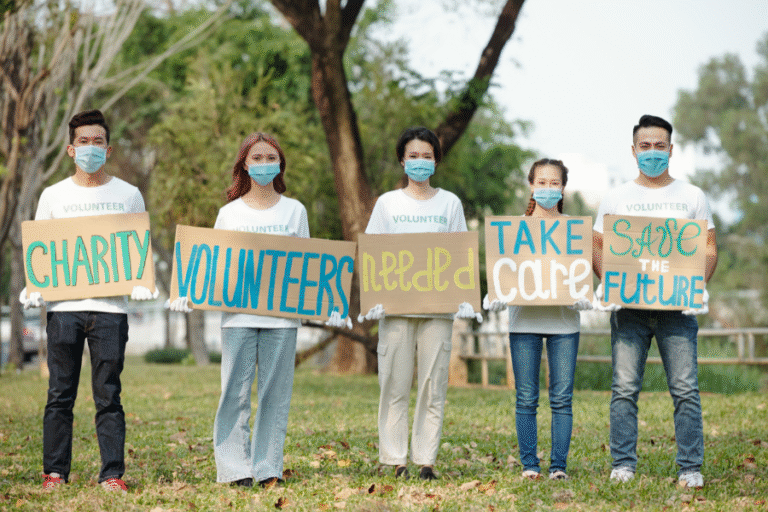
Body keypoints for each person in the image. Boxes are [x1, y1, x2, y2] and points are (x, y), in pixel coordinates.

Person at [168, 132, 349, 488]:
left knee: (274, 395)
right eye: (257, 158)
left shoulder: (295, 210)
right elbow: (215, 264)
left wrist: (331, 303)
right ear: (244, 165)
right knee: (233, 394)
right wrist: (188, 290)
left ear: (280, 164)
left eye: (270, 158)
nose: (264, 164)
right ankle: (235, 469)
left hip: (282, 321)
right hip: (237, 319)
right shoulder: (229, 213)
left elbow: (305, 267)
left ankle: (268, 468)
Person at [20, 109, 157, 492]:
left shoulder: (128, 195)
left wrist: (145, 281)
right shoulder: (53, 196)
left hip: (111, 311)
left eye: (98, 142)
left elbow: (138, 251)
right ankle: (54, 473)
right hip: (63, 310)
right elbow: (41, 253)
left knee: (109, 396)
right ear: (70, 149)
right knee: (59, 395)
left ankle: (112, 475)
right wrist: (34, 286)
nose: (91, 148)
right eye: (84, 142)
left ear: (109, 149)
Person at [592, 115, 717, 488]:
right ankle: (623, 464)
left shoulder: (692, 196)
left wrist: (700, 284)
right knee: (624, 388)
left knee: (685, 389)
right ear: (633, 151)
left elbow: (708, 248)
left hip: (678, 310)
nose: (652, 153)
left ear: (671, 149)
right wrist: (606, 283)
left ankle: (690, 467)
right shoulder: (616, 197)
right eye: (644, 146)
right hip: (628, 310)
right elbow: (599, 246)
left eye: (659, 146)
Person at [359, 126, 481, 481]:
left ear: (436, 161)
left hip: (437, 311)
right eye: (413, 156)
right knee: (394, 385)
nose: (420, 162)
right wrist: (374, 300)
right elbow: (373, 255)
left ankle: (426, 459)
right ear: (401, 160)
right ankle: (396, 459)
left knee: (433, 384)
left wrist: (465, 300)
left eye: (426, 156)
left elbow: (460, 254)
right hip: (395, 311)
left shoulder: (450, 203)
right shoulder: (387, 203)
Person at [484, 159, 591, 481]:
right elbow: (502, 271)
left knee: (561, 399)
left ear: (563, 188)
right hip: (523, 323)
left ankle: (559, 466)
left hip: (565, 325)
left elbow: (582, 274)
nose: (547, 188)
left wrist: (586, 294)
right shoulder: (512, 230)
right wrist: (496, 293)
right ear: (531, 186)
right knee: (526, 398)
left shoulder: (575, 229)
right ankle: (530, 465)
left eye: (553, 183)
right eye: (541, 183)